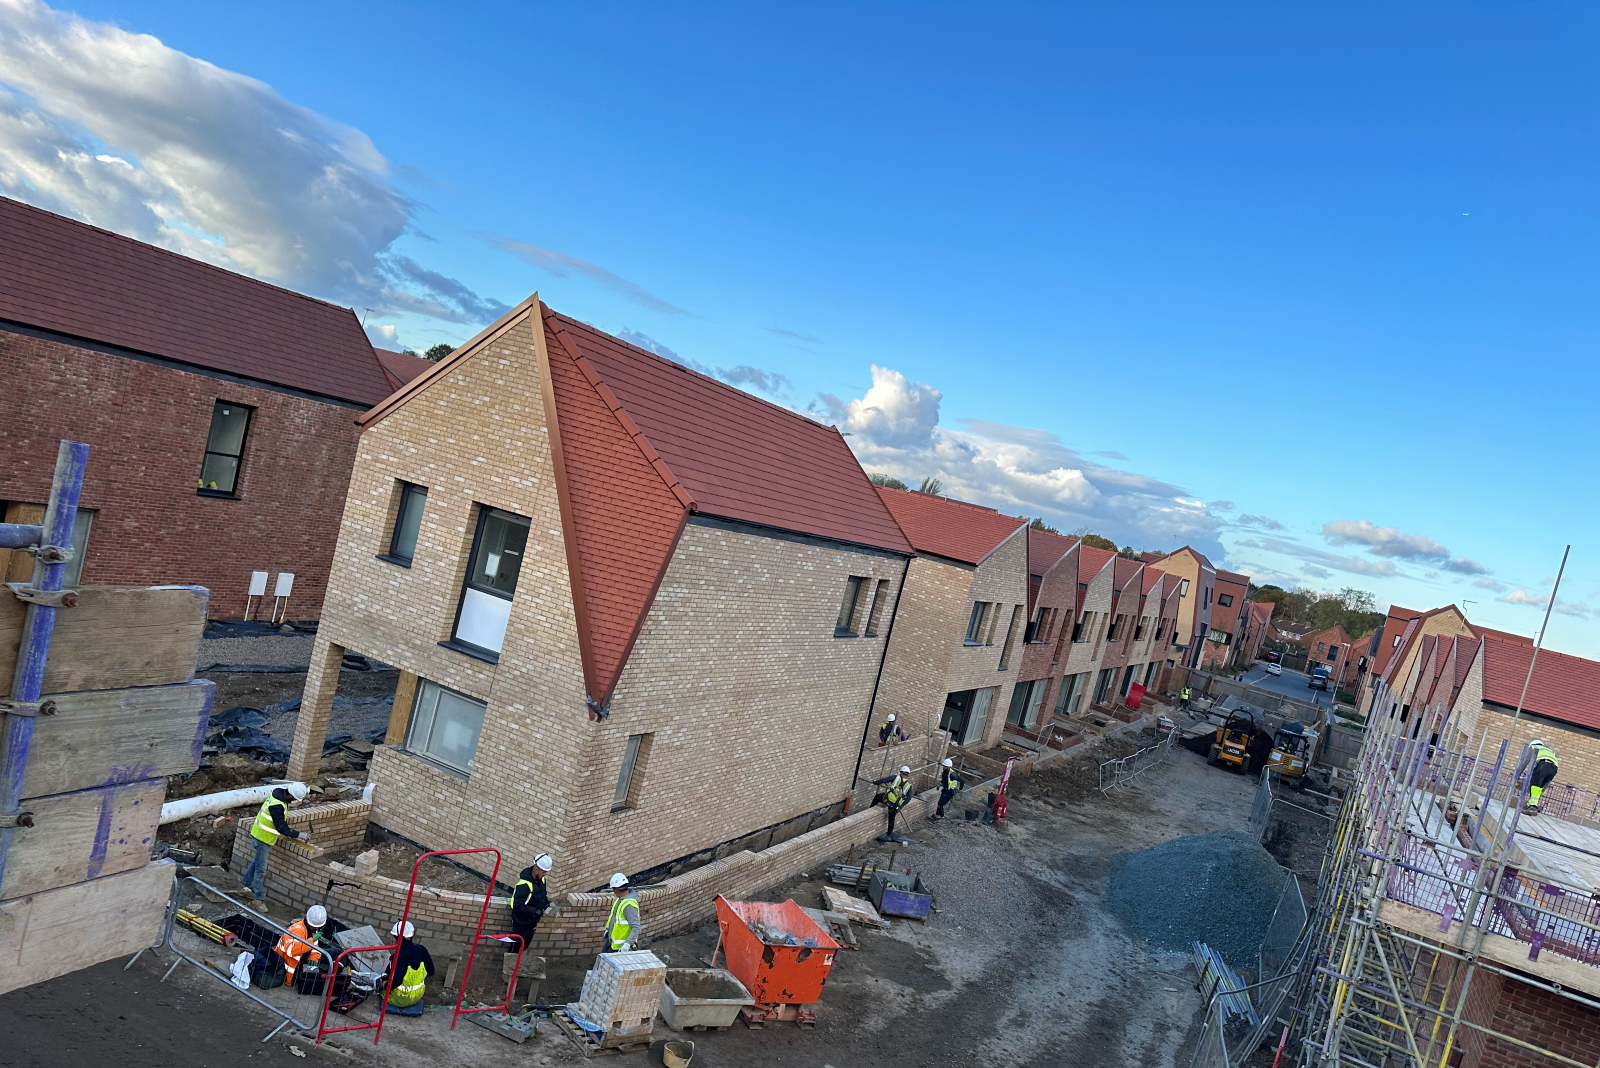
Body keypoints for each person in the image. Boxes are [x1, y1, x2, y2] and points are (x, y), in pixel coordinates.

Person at [241, 782, 310, 905]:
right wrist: (298, 834)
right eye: (294, 798)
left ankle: (244, 885)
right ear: (291, 795)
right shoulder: (277, 805)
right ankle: (259, 898)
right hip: (263, 839)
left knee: (257, 863)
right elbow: (280, 827)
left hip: (260, 835)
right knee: (260, 870)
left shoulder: (278, 795)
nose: (294, 800)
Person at [382, 920, 435, 1016]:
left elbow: (396, 982)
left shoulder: (399, 955)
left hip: (398, 999)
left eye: (393, 936)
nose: (391, 939)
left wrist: (384, 985)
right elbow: (431, 971)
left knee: (382, 988)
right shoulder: (422, 949)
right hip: (417, 996)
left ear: (399, 938)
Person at [274, 903, 329, 987]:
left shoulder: (313, 930)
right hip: (285, 968)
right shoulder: (298, 930)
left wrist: (314, 958)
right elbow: (292, 951)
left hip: (297, 965)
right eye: (313, 927)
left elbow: (315, 947)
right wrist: (312, 940)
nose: (316, 929)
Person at [511, 853, 552, 951]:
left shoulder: (542, 880)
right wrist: (534, 911)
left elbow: (542, 895)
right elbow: (518, 906)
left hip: (532, 921)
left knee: (524, 945)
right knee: (516, 947)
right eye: (543, 872)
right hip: (521, 922)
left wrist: (546, 904)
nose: (545, 874)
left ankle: (516, 963)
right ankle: (510, 964)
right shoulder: (524, 885)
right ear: (536, 869)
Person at [1515, 739, 1560, 813]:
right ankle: (1531, 805)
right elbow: (1548, 777)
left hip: (1543, 765)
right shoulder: (1549, 750)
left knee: (1535, 784)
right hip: (1554, 768)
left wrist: (1517, 776)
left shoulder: (1533, 747)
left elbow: (1525, 762)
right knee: (1538, 788)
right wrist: (1545, 787)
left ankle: (1532, 806)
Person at [874, 765, 914, 842]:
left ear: (901, 772)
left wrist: (875, 782)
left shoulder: (896, 778)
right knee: (891, 819)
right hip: (895, 805)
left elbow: (884, 780)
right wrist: (901, 806)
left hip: (887, 800)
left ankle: (872, 807)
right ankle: (889, 835)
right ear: (907, 774)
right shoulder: (909, 785)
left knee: (877, 797)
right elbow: (909, 797)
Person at [605, 873, 641, 953]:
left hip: (620, 948)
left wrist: (627, 944)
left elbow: (636, 927)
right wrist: (609, 930)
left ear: (616, 889)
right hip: (611, 943)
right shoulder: (620, 900)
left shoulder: (629, 905)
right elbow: (615, 918)